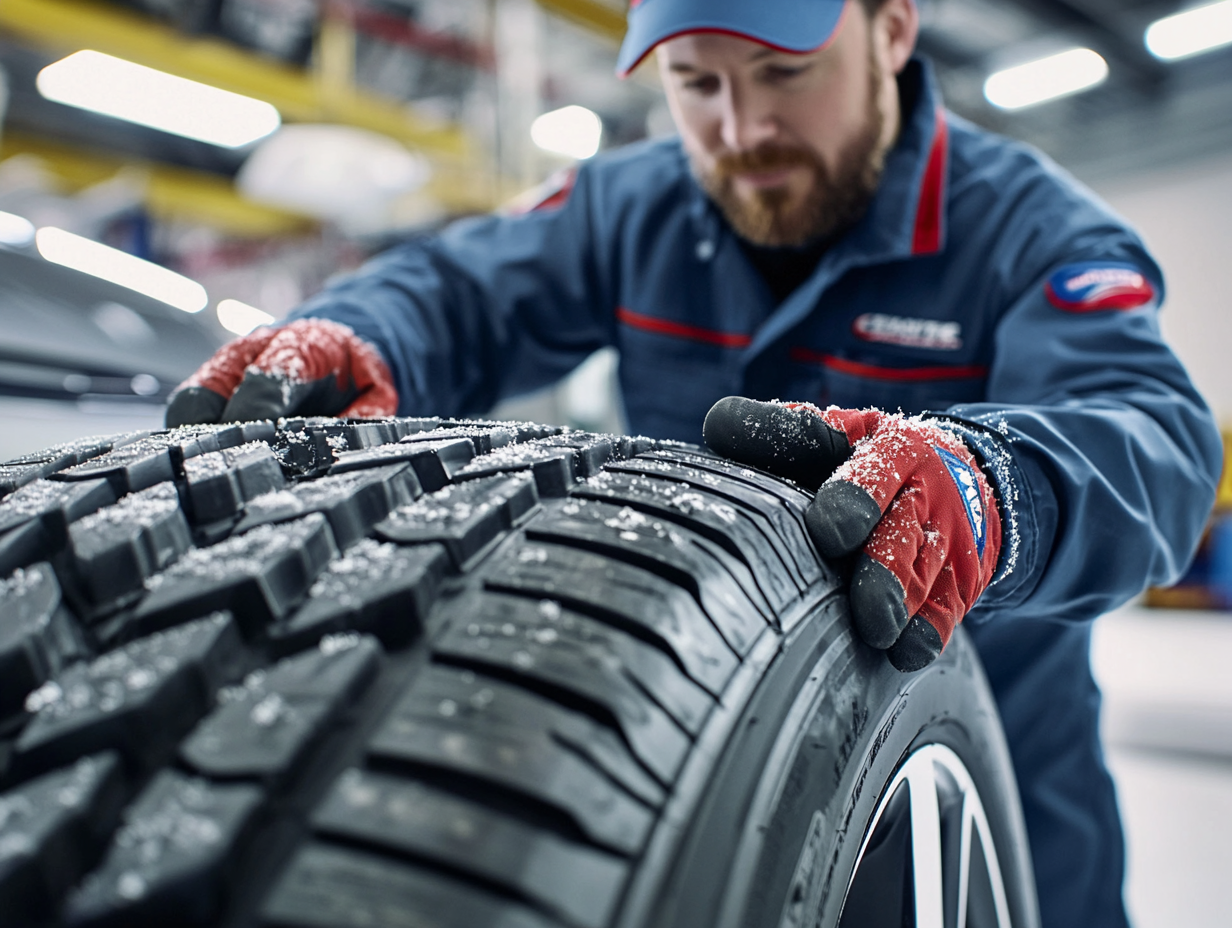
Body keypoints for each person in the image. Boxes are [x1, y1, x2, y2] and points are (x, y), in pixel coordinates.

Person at [165, 0, 1223, 925]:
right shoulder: (633, 207)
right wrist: (362, 335)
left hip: (985, 780)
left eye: (784, 72)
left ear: (891, 28)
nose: (741, 127)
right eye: (695, 81)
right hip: (735, 755)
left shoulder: (1026, 230)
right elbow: (455, 283)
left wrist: (990, 482)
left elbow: (1153, 440)